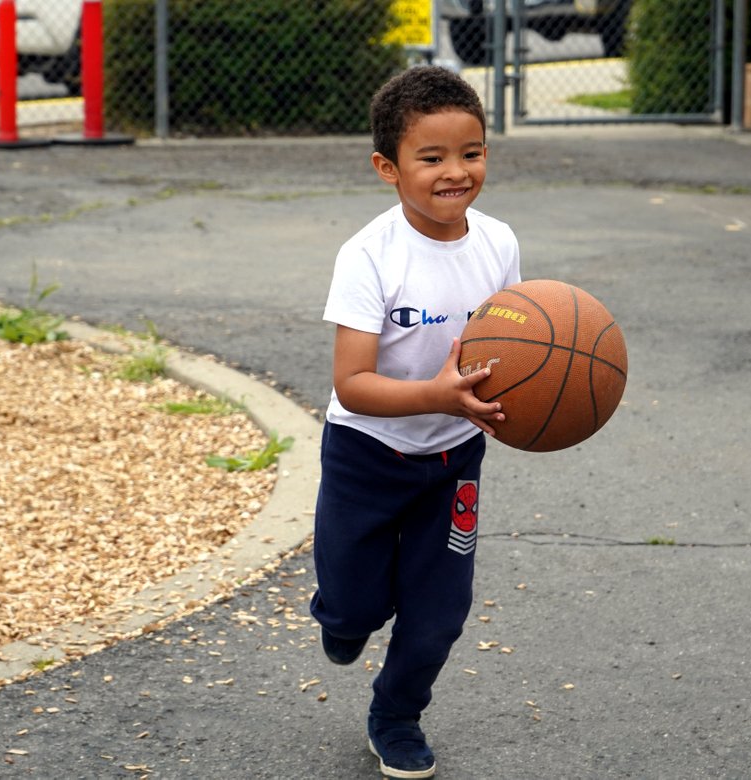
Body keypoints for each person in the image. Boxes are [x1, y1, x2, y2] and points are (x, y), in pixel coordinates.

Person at [310, 65, 520, 778]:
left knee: (439, 614)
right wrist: (438, 394)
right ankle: (342, 617)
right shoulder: (369, 256)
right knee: (353, 606)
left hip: (452, 459)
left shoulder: (498, 244)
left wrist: (533, 403)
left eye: (473, 152)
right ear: (387, 168)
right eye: (431, 158)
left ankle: (395, 715)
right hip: (366, 454)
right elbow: (353, 384)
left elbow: (517, 349)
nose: (455, 171)